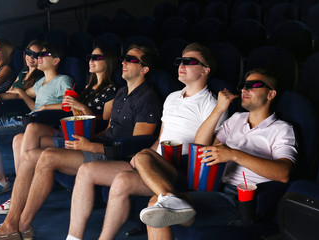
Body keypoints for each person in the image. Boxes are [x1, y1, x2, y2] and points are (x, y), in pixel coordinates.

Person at [0, 43, 162, 240]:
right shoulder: (122, 94)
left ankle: (20, 226)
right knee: (30, 156)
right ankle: (12, 223)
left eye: (132, 60)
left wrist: (92, 145)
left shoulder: (148, 98)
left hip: (115, 157)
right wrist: (86, 138)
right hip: (100, 145)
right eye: (124, 58)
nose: (125, 62)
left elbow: (138, 146)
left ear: (144, 69)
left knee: (48, 156)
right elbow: (110, 129)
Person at [64, 42, 227, 240]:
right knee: (86, 171)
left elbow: (206, 148)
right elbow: (160, 139)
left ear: (205, 70)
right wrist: (143, 158)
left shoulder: (211, 103)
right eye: (180, 61)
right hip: (154, 163)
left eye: (189, 62)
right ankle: (73, 238)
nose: (181, 65)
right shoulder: (172, 98)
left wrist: (144, 157)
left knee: (126, 176)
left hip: (180, 168)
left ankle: (170, 198)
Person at [137, 68, 298, 240]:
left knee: (156, 205)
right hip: (211, 184)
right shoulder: (236, 118)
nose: (244, 89)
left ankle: (168, 201)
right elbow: (200, 146)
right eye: (243, 85)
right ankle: (169, 197)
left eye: (253, 85)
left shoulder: (282, 129)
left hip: (240, 200)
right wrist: (219, 109)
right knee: (143, 156)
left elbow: (283, 173)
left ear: (271, 94)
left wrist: (234, 155)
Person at [0, 44, 118, 215]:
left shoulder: (111, 90)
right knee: (18, 139)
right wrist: (75, 107)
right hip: (70, 129)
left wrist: (78, 107)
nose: (91, 61)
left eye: (96, 58)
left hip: (85, 136)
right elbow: (73, 111)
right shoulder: (87, 88)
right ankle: (20, 191)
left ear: (108, 62)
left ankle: (20, 195)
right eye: (90, 57)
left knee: (33, 128)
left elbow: (105, 122)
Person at [0, 42, 73, 198]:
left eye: (42, 55)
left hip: (38, 123)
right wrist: (9, 94)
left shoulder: (63, 80)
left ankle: (12, 187)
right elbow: (31, 103)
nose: (38, 58)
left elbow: (69, 104)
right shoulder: (40, 83)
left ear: (56, 61)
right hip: (29, 117)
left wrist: (45, 108)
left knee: (0, 137)